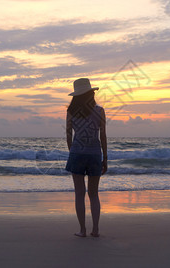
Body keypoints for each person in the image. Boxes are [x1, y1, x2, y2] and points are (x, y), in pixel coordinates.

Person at [65, 78, 108, 238]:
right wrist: (105, 158)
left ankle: (82, 230)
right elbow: (103, 135)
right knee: (94, 194)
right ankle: (95, 229)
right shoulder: (100, 110)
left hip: (77, 153)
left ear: (76, 95)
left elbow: (68, 134)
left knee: (79, 193)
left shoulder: (71, 111)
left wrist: (72, 151)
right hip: (95, 154)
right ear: (91, 94)